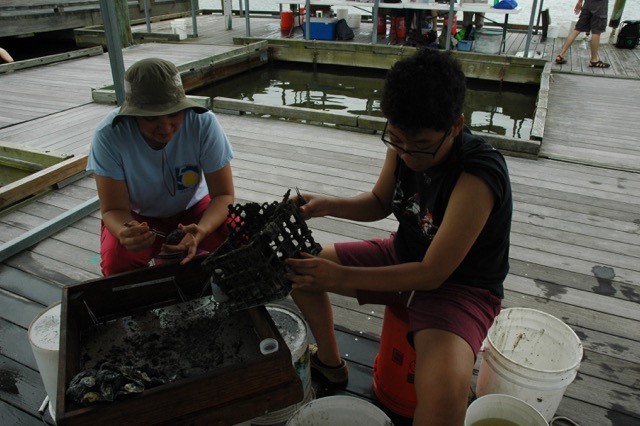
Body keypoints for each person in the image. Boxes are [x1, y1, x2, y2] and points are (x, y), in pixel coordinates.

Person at [286, 49, 512, 426]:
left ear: (455, 126)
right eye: (396, 138)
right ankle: (330, 363)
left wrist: (339, 278)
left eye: (421, 144)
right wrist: (325, 205)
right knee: (298, 267)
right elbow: (379, 201)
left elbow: (432, 274)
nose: (407, 154)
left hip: (459, 289)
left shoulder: (479, 174)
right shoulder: (405, 145)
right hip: (401, 254)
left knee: (444, 397)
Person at [86, 58, 235, 276]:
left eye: (174, 113)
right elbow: (113, 209)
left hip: (195, 210)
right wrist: (124, 232)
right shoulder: (108, 136)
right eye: (151, 117)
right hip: (140, 219)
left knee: (241, 232)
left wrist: (201, 230)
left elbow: (223, 195)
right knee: (116, 263)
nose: (165, 128)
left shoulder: (203, 123)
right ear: (133, 114)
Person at [555, 0, 610, 68]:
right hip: (600, 5)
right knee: (596, 31)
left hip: (587, 4)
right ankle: (594, 60)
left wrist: (580, 1)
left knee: (577, 29)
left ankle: (560, 55)